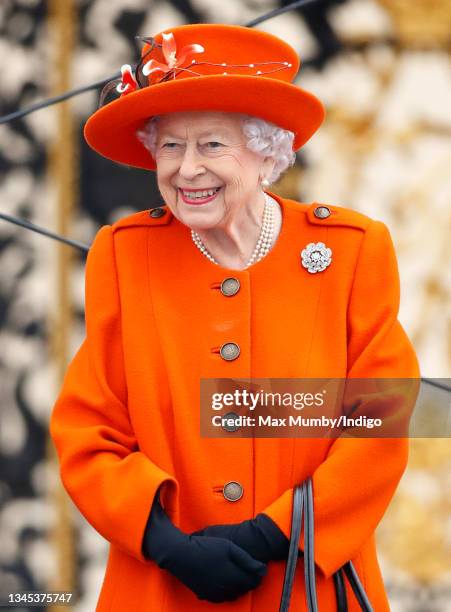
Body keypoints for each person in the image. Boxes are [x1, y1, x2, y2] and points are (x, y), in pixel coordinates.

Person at [49, 23, 420, 611]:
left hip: (304, 581)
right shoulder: (124, 254)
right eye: (170, 146)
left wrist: (269, 533)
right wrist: (166, 544)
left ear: (266, 152)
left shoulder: (350, 250)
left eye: (212, 145)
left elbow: (381, 418)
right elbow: (88, 432)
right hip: (163, 585)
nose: (187, 169)